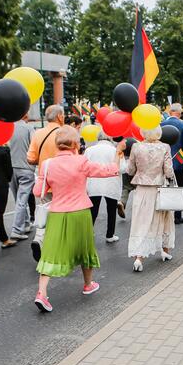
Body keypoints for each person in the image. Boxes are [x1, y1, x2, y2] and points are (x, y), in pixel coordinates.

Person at [32, 126, 125, 312]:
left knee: (50, 252)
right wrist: (118, 152)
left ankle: (42, 293)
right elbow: (111, 170)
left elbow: (37, 191)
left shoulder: (47, 164)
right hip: (80, 211)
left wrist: (56, 186)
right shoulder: (81, 162)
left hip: (57, 213)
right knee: (85, 248)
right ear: (75, 143)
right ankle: (88, 284)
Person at [127, 126, 176, 272]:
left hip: (141, 189)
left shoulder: (136, 147)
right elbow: (168, 171)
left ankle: (138, 258)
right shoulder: (164, 147)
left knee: (141, 222)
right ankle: (165, 250)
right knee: (164, 219)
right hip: (159, 189)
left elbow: (130, 170)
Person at [26, 105, 64, 262]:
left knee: (44, 211)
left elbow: (30, 158)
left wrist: (42, 159)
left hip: (44, 180)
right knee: (61, 215)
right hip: (62, 180)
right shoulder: (64, 133)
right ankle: (57, 249)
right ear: (59, 116)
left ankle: (39, 239)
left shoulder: (38, 133)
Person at [85, 132, 123, 242]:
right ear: (110, 138)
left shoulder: (89, 150)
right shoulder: (115, 150)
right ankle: (110, 235)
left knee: (93, 210)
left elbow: (83, 165)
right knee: (111, 210)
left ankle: (88, 232)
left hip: (93, 183)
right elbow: (123, 168)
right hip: (111, 183)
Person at [161, 103, 183, 224]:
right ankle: (177, 216)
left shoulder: (161, 124)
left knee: (165, 188)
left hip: (165, 161)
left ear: (170, 112)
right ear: (179, 113)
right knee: (180, 188)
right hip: (180, 162)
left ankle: (165, 215)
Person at [8, 114, 36, 240]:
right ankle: (17, 229)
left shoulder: (7, 128)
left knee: (18, 199)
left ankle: (25, 224)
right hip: (26, 167)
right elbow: (34, 147)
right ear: (25, 115)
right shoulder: (29, 129)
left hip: (10, 168)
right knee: (22, 199)